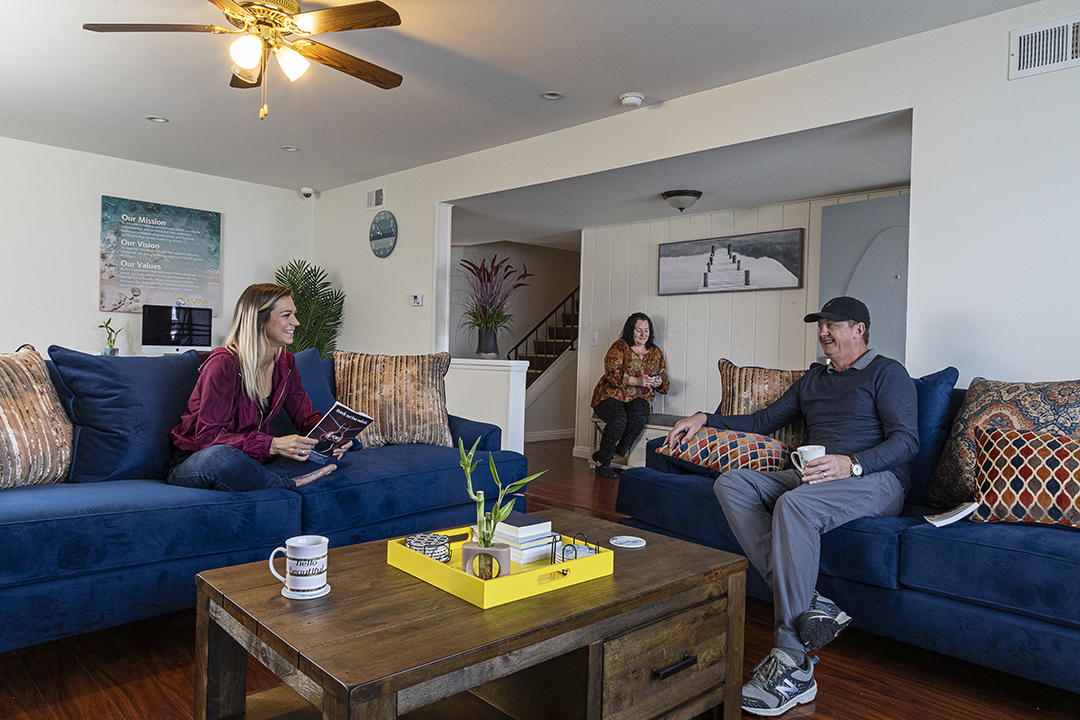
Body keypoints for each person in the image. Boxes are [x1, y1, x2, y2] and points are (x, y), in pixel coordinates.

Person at [664, 296, 918, 716]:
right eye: (820, 324)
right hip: (813, 477)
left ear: (859, 329)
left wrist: (851, 463)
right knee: (733, 484)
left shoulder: (887, 373)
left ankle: (794, 664)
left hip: (874, 479)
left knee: (793, 506)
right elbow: (762, 422)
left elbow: (907, 441)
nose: (823, 332)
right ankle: (810, 602)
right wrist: (704, 418)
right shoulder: (814, 379)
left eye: (832, 324)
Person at [168, 283, 352, 492]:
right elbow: (208, 438)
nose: (296, 322)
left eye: (294, 314)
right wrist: (273, 444)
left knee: (326, 454)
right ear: (259, 320)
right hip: (198, 461)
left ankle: (262, 480)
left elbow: (305, 417)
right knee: (220, 458)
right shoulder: (224, 364)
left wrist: (332, 437)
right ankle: (288, 483)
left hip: (255, 460)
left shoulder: (285, 363)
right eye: (286, 315)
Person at [590, 312, 669, 478]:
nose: (643, 334)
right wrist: (637, 381)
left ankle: (612, 453)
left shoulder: (656, 352)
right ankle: (602, 465)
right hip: (612, 395)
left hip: (640, 397)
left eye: (646, 330)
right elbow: (612, 374)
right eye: (638, 330)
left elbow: (664, 381)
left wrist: (658, 383)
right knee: (619, 419)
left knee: (639, 417)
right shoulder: (619, 347)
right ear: (630, 330)